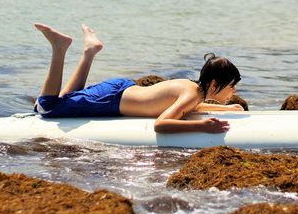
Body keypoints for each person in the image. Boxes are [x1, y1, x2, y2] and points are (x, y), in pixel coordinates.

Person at [33, 23, 243, 134]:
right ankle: (59, 48)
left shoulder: (192, 89)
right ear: (215, 84)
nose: (233, 91)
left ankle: (89, 52)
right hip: (112, 100)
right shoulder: (191, 95)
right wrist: (202, 127)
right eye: (231, 86)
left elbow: (192, 108)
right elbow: (161, 124)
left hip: (120, 89)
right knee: (47, 107)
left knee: (68, 98)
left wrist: (227, 109)